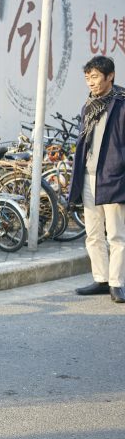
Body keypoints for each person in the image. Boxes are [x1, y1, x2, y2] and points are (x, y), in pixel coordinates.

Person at [69, 56, 125, 303]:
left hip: (114, 176)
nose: (90, 83)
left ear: (110, 76)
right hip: (89, 177)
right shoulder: (89, 105)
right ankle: (101, 278)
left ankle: (117, 283)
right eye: (87, 78)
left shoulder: (121, 104)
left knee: (116, 234)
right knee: (93, 233)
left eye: (95, 77)